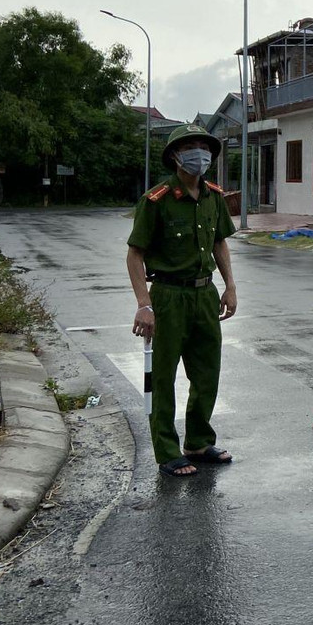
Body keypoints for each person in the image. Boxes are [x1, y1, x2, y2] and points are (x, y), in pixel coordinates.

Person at [126, 123, 239, 477]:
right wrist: (144, 304)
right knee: (163, 376)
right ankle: (167, 451)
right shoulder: (156, 200)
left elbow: (220, 241)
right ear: (175, 155)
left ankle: (199, 441)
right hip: (169, 296)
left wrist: (230, 285)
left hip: (205, 295)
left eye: (202, 146)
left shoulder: (213, 197)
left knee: (207, 371)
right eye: (189, 146)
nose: (198, 153)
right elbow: (134, 255)